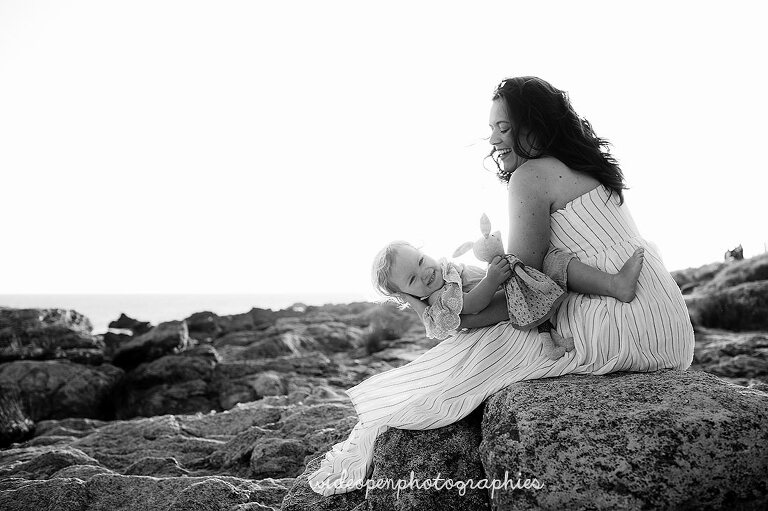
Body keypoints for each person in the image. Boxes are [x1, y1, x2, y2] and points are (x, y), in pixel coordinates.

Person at [306, 76, 694, 497]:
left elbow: (523, 284)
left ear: (536, 128)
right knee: (484, 333)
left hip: (621, 317)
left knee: (473, 354)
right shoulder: (584, 165)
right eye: (492, 128)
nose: (492, 139)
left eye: (503, 128)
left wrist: (467, 319)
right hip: (664, 319)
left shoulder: (531, 175)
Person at [373, 240, 645, 360]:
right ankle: (615, 284)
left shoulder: (445, 276)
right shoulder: (439, 298)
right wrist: (492, 279)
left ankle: (610, 285)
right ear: (409, 294)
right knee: (552, 263)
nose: (425, 272)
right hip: (508, 305)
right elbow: (472, 304)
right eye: (412, 279)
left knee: (548, 267)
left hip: (510, 299)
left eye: (421, 261)